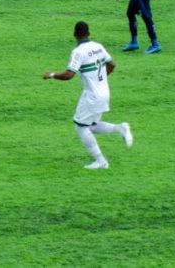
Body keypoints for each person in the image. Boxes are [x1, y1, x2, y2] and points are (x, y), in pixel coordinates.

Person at [43, 21, 133, 170]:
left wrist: (51, 75)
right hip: (104, 92)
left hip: (92, 95)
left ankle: (101, 161)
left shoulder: (78, 52)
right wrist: (100, 80)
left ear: (74, 34)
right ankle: (120, 128)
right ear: (89, 33)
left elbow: (68, 75)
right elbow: (112, 65)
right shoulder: (98, 46)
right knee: (91, 125)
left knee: (81, 128)